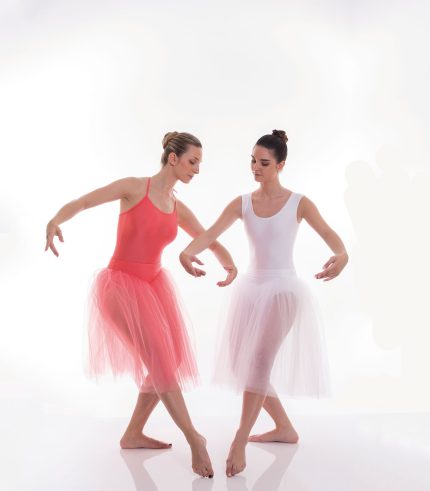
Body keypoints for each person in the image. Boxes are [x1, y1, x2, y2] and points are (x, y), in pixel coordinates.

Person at [45, 131, 237, 479]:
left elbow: (206, 237)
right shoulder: (134, 188)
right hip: (120, 287)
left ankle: (133, 433)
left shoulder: (178, 207)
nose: (197, 170)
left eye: (199, 164)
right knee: (161, 361)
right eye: (193, 162)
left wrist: (229, 264)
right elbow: (85, 201)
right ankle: (194, 438)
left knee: (168, 361)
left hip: (153, 287)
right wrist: (56, 220)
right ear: (173, 158)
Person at [179, 129, 349, 477]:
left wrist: (342, 253)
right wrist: (187, 252)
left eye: (264, 163)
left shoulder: (299, 202)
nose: (256, 168)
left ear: (281, 165)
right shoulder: (242, 203)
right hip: (251, 289)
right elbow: (209, 234)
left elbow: (329, 233)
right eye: (253, 161)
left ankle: (240, 439)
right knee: (244, 365)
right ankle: (284, 427)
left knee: (257, 363)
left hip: (282, 289)